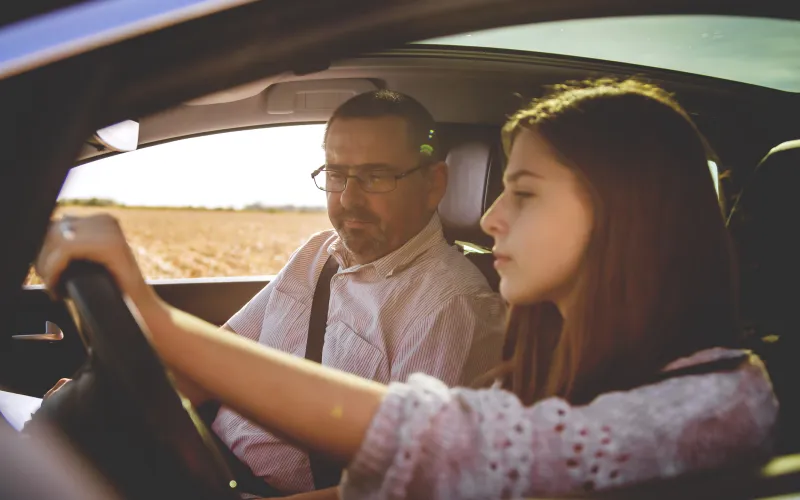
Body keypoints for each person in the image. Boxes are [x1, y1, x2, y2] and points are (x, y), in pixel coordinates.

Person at [36, 79, 779, 499]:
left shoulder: (714, 408)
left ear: (625, 213)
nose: (490, 216)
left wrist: (155, 320)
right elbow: (226, 358)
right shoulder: (555, 355)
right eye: (337, 174)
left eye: (524, 192)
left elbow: (444, 450)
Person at [42, 90, 506, 497]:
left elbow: (410, 487)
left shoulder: (454, 307)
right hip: (206, 458)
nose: (348, 199)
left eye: (375, 177)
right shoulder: (318, 252)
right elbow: (223, 354)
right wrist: (120, 403)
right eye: (337, 175)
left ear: (433, 184)